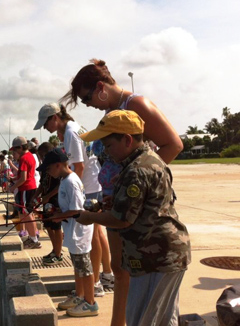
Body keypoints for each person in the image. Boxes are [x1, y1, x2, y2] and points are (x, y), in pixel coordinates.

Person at [60, 58, 184, 326]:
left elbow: (173, 145)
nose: (88, 104)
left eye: (87, 97)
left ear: (101, 87)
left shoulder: (136, 105)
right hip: (117, 199)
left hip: (134, 205)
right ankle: (119, 321)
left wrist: (136, 184)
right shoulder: (110, 114)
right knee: (119, 267)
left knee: (133, 270)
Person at [78, 110, 191, 326]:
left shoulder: (136, 170)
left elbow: (122, 220)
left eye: (109, 145)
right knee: (163, 320)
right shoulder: (149, 160)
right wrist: (116, 204)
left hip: (155, 259)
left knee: (142, 320)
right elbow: (145, 205)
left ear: (127, 140)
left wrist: (90, 216)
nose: (107, 152)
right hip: (166, 255)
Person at [34, 102, 107, 297]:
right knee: (98, 234)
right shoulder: (74, 128)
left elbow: (79, 167)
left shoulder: (70, 133)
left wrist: (72, 190)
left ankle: (96, 283)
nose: (45, 128)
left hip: (88, 186)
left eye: (45, 123)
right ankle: (105, 274)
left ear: (55, 118)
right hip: (93, 184)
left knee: (92, 237)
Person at [37, 148, 98, 318]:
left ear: (58, 165)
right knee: (77, 267)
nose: (48, 173)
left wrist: (58, 216)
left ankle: (91, 303)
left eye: (48, 169)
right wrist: (56, 210)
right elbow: (69, 207)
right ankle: (79, 296)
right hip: (71, 230)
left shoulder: (71, 181)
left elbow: (77, 209)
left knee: (85, 268)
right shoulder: (64, 180)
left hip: (79, 231)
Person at [30, 142, 63, 265]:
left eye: (43, 156)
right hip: (45, 200)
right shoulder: (45, 167)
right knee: (48, 226)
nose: (41, 159)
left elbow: (60, 186)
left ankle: (58, 254)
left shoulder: (56, 167)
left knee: (56, 227)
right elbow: (42, 184)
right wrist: (35, 196)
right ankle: (54, 250)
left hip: (54, 201)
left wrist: (48, 196)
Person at [7, 136, 40, 249]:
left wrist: (13, 187)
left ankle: (34, 240)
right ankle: (33, 237)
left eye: (15, 149)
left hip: (26, 189)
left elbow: (23, 178)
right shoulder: (30, 156)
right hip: (31, 187)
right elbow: (22, 175)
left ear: (20, 147)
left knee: (26, 214)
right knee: (29, 214)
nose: (15, 152)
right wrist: (15, 179)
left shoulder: (24, 158)